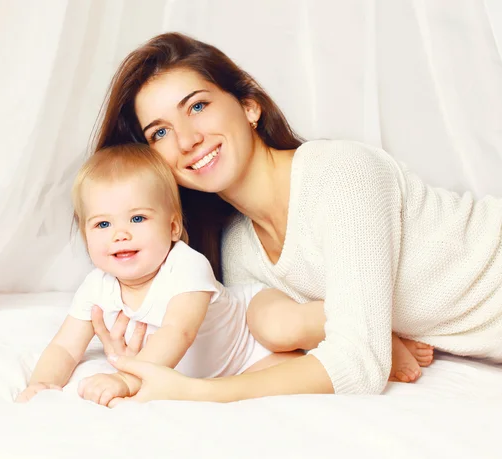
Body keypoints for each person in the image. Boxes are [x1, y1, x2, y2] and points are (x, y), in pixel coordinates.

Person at [86, 32, 502, 402]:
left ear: (249, 106)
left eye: (197, 107)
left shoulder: (341, 173)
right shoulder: (236, 251)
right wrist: (141, 355)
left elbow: (359, 364)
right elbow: (281, 345)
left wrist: (196, 394)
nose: (188, 140)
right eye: (160, 132)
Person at [16, 144, 298, 405]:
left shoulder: (186, 266)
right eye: (103, 224)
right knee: (279, 383)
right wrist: (42, 382)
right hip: (235, 367)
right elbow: (65, 346)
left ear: (173, 227)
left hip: (250, 326)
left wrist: (126, 379)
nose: (120, 234)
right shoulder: (96, 288)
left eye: (137, 218)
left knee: (280, 328)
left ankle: (330, 314)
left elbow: (179, 332)